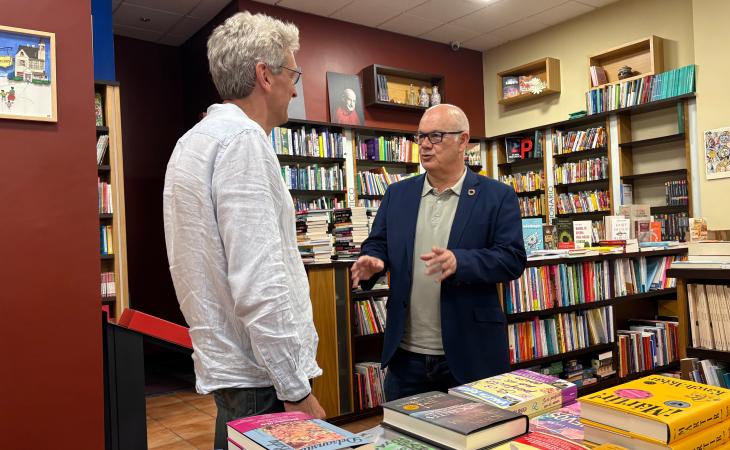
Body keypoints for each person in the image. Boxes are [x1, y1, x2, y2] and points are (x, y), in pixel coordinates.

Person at [162, 11, 324, 449]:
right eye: (293, 72)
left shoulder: (192, 142)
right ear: (264, 76)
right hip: (263, 381)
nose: (295, 86)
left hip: (234, 373)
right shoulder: (244, 142)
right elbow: (261, 282)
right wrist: (297, 388)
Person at [351, 104, 526, 401]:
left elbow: (512, 259)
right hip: (406, 358)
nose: (425, 145)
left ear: (463, 141)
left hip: (470, 354)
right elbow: (378, 242)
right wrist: (374, 260)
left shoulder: (496, 196)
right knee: (404, 444)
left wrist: (461, 261)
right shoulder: (398, 194)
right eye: (420, 137)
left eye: (436, 136)